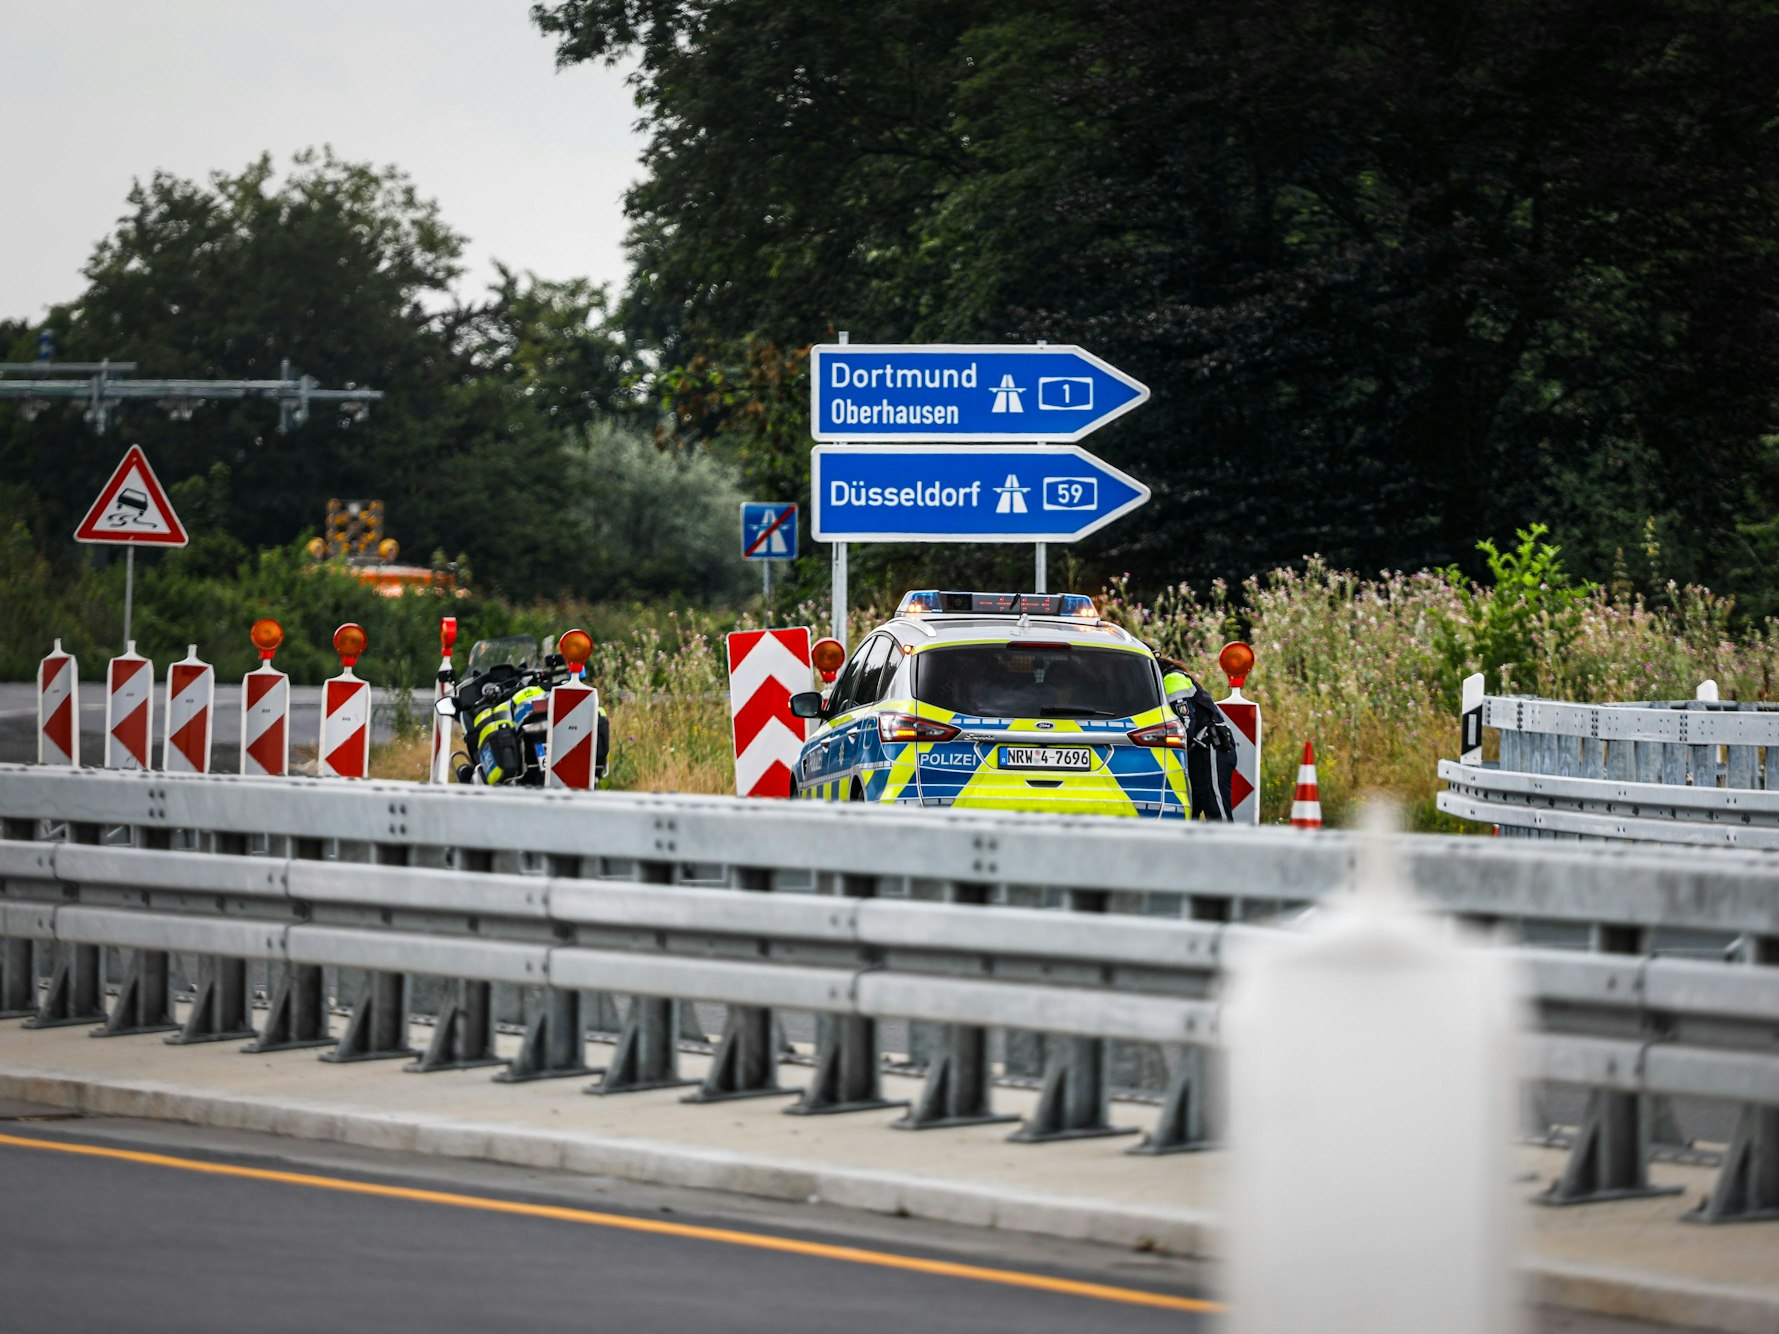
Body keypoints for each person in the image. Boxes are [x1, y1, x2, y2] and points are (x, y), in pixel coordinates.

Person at [1158, 656, 1236, 819]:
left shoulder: (1172, 679)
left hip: (1210, 748)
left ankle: (1227, 844)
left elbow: (1186, 724)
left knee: (1217, 812)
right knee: (1189, 813)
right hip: (1199, 751)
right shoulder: (1167, 679)